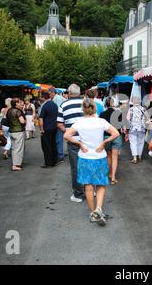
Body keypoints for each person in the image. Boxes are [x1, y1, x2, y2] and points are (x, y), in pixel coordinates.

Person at [64, 98, 119, 226]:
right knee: (100, 185)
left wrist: (79, 143)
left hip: (84, 157)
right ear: (95, 108)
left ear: (83, 109)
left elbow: (66, 135)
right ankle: (99, 209)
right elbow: (115, 133)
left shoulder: (79, 123)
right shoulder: (101, 122)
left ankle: (93, 212)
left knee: (88, 186)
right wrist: (104, 143)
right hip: (99, 156)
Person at [57, 84, 85, 203]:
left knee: (75, 167)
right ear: (79, 92)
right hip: (88, 140)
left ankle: (78, 194)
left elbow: (59, 124)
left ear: (68, 92)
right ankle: (91, 190)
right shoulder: (87, 102)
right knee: (90, 163)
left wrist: (67, 131)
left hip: (73, 140)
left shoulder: (63, 105)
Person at [100, 97, 124, 185]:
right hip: (116, 136)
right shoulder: (118, 113)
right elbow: (121, 125)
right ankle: (113, 176)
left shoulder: (102, 114)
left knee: (108, 156)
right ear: (114, 103)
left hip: (106, 137)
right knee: (115, 157)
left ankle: (109, 173)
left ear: (106, 104)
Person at [39, 91, 58, 168]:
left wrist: (41, 129)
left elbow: (41, 119)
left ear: (43, 97)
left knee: (46, 146)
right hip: (54, 127)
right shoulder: (54, 104)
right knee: (53, 144)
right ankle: (54, 161)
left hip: (47, 128)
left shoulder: (45, 105)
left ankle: (48, 162)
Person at [7, 98, 26, 171]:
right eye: (19, 102)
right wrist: (25, 122)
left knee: (14, 148)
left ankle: (16, 163)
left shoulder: (9, 110)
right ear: (16, 104)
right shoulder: (18, 111)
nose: (21, 104)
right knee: (19, 148)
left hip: (11, 131)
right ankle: (16, 165)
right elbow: (22, 121)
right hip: (18, 131)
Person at [127, 97, 147, 164]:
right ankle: (139, 156)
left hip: (132, 128)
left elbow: (128, 119)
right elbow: (147, 119)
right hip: (141, 128)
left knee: (133, 142)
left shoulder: (131, 109)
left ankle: (135, 157)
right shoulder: (143, 109)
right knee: (140, 142)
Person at [49, 87, 66, 163]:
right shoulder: (56, 98)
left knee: (59, 139)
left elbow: (58, 112)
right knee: (58, 139)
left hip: (59, 122)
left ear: (52, 92)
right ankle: (59, 154)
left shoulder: (57, 98)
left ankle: (60, 156)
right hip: (59, 121)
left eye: (49, 93)